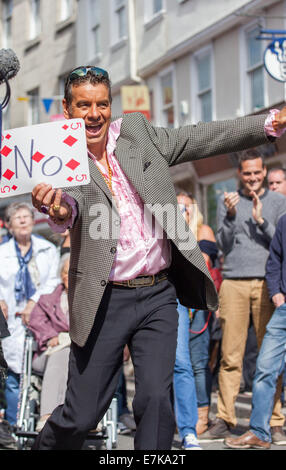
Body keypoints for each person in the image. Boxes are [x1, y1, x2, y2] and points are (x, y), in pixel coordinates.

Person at [30, 65, 286, 450]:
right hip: (104, 299)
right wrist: (59, 211)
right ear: (67, 110)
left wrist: (269, 124)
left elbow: (200, 137)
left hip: (158, 295)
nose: (95, 114)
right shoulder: (60, 157)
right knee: (82, 414)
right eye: (84, 105)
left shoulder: (136, 133)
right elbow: (67, 207)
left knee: (154, 400)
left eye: (102, 104)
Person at [204, 150, 286, 442]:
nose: (252, 178)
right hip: (234, 282)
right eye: (247, 173)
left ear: (264, 172)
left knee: (270, 357)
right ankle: (226, 418)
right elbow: (224, 244)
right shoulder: (228, 200)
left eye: (257, 173)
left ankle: (275, 421)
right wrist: (229, 215)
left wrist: (261, 221)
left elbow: (281, 242)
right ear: (239, 174)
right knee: (230, 356)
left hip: (267, 284)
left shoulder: (278, 202)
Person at [224, 212, 286, 449]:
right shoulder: (283, 221)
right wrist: (275, 292)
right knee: (264, 369)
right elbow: (275, 261)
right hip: (283, 309)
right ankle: (260, 432)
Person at [0, 202, 59, 430]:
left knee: (39, 369)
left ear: (33, 221)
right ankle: (15, 427)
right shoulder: (2, 252)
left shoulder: (47, 249)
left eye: (26, 216)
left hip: (41, 317)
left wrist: (34, 302)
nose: (23, 220)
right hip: (11, 319)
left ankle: (41, 421)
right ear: (10, 225)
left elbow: (53, 281)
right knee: (14, 373)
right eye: (18, 218)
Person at [173, 190, 219, 450]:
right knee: (178, 362)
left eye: (186, 207)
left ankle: (193, 425)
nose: (182, 211)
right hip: (171, 300)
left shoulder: (202, 231)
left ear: (194, 209)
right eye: (176, 207)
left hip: (196, 302)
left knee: (197, 361)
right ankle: (179, 423)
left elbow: (201, 261)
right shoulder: (166, 230)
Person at [28, 253, 70, 432]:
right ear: (61, 275)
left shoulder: (87, 300)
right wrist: (53, 336)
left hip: (76, 352)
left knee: (69, 354)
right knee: (61, 352)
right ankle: (48, 414)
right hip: (47, 351)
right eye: (67, 272)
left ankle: (55, 414)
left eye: (74, 272)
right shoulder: (47, 299)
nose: (70, 276)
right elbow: (36, 321)